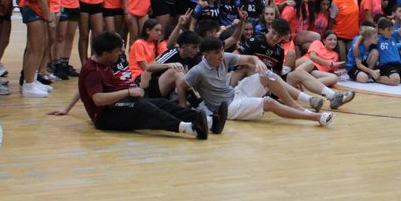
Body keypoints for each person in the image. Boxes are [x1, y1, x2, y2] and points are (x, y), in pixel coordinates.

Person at [48, 31, 209, 138]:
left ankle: (209, 121)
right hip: (105, 117)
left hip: (120, 103)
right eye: (117, 51)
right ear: (106, 53)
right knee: (145, 109)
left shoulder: (105, 63)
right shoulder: (92, 70)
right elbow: (97, 98)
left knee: (161, 104)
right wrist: (128, 93)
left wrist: (66, 109)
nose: (120, 53)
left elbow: (84, 90)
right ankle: (190, 128)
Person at [181, 37, 334, 126]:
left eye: (222, 50)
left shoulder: (224, 57)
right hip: (228, 107)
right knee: (269, 102)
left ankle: (298, 108)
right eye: (216, 52)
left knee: (268, 75)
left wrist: (256, 61)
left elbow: (249, 58)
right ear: (206, 54)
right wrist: (184, 108)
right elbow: (181, 86)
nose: (221, 55)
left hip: (235, 93)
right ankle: (315, 118)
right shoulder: (198, 71)